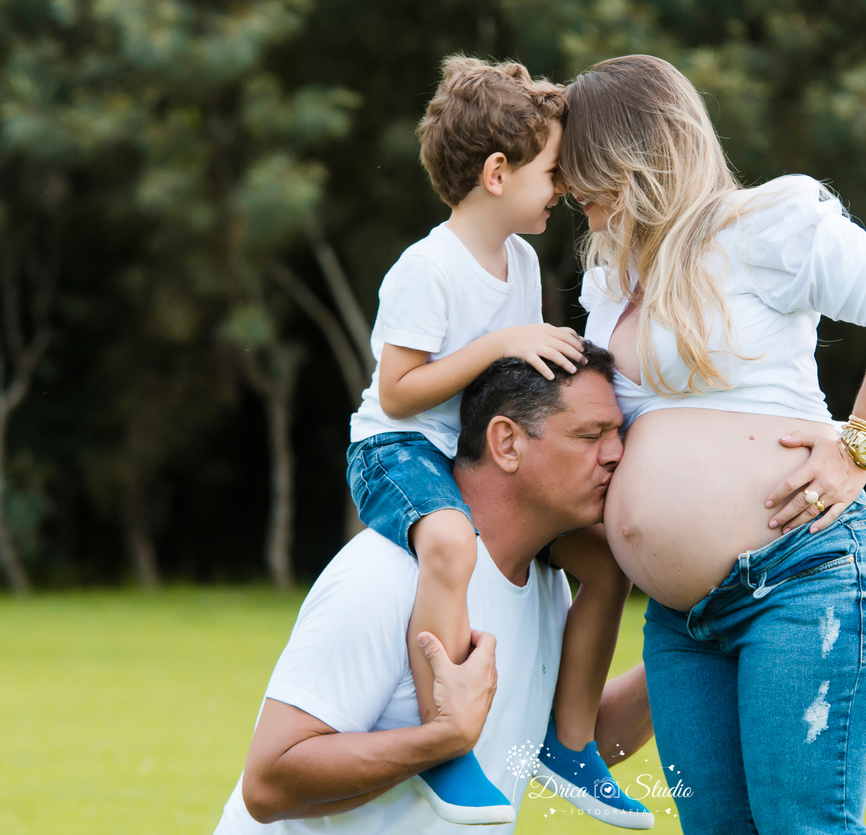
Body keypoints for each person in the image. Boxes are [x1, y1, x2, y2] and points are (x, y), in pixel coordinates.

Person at [559, 55, 866, 834]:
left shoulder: (767, 225)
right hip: (685, 621)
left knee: (804, 825)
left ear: (634, 158)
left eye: (584, 176)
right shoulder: (610, 286)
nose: (575, 200)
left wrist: (858, 446)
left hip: (808, 579)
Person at [345, 55, 648, 824]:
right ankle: (444, 744)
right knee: (447, 544)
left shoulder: (516, 257)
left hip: (466, 454)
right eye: (553, 172)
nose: (565, 190)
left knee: (605, 562)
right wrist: (500, 345)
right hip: (399, 453)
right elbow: (398, 390)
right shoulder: (429, 267)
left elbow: (516, 374)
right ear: (496, 173)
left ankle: (569, 742)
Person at [214, 344, 655, 835]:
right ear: (507, 443)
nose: (616, 453)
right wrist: (441, 740)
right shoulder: (386, 573)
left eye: (618, 434)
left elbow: (570, 742)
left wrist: (688, 641)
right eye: (589, 435)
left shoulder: (550, 586)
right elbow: (268, 783)